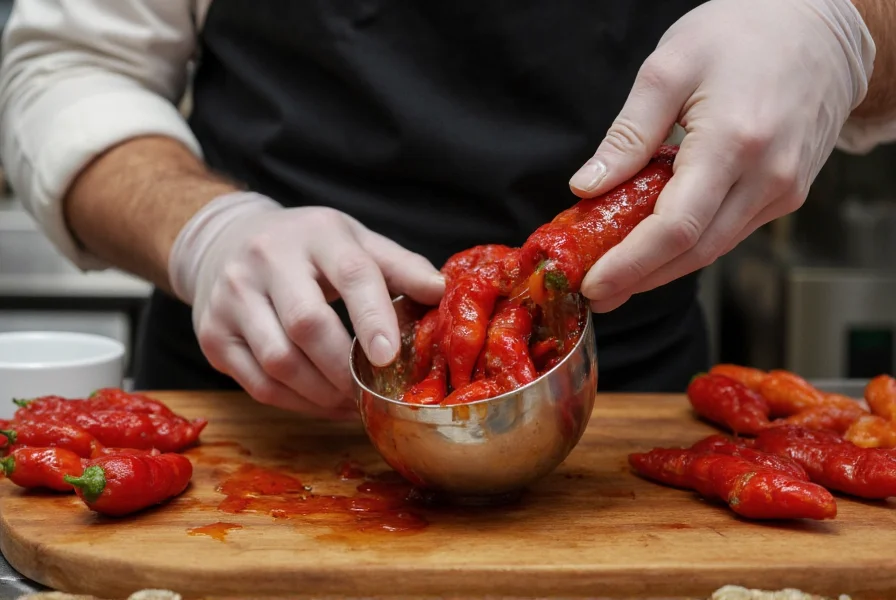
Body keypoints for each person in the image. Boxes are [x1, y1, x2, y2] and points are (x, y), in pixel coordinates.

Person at [0, 1, 892, 420]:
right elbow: (69, 69)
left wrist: (841, 28)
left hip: (621, 406)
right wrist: (205, 231)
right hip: (256, 401)